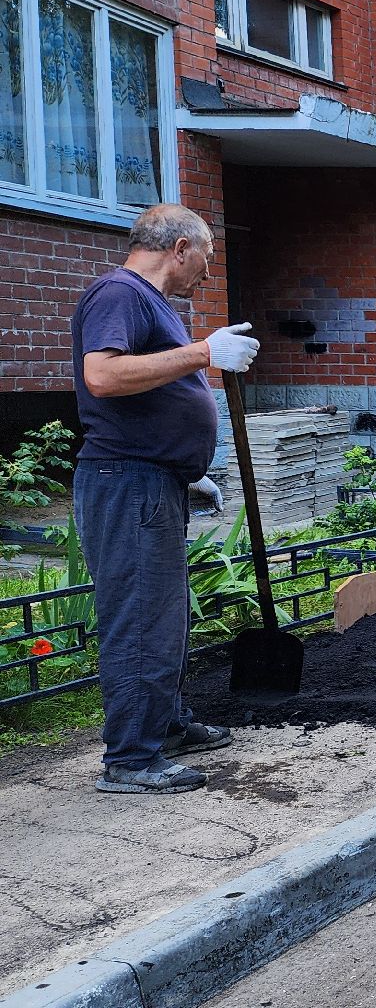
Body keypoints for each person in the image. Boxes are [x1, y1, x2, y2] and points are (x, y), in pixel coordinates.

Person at [73, 204, 260, 794]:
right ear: (181, 247)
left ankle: (166, 725)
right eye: (206, 255)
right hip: (126, 484)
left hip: (152, 481)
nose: (207, 270)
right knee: (138, 621)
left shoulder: (147, 304)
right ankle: (130, 760)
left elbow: (151, 392)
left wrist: (185, 469)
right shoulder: (118, 293)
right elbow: (102, 376)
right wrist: (203, 353)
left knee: (165, 616)